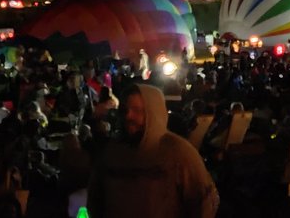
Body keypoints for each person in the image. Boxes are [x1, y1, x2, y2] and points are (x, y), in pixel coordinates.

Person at [87, 84, 218, 218]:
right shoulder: (112, 153)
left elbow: (203, 203)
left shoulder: (179, 153)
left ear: (153, 113)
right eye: (125, 110)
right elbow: (95, 199)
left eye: (137, 110)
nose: (128, 116)